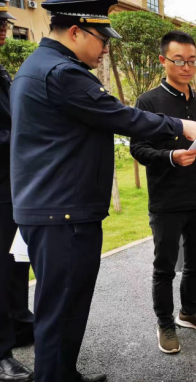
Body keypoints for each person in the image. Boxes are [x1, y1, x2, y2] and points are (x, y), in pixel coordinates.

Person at [9, 1, 196, 381]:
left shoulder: (42, 67)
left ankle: (64, 372)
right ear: (76, 31)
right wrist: (179, 125)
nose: (105, 49)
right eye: (102, 39)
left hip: (58, 208)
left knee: (68, 307)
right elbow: (120, 116)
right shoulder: (62, 73)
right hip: (62, 213)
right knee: (61, 310)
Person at [130, 31, 196, 355]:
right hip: (166, 201)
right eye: (179, 61)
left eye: (192, 61)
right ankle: (165, 322)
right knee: (164, 267)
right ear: (163, 60)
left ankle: (189, 311)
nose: (187, 67)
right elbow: (139, 149)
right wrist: (171, 157)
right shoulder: (148, 102)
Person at [0, 4, 35, 382]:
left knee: (16, 263)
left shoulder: (3, 72)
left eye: (3, 26)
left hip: (16, 187)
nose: (3, 31)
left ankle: (22, 323)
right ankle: (1, 353)